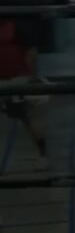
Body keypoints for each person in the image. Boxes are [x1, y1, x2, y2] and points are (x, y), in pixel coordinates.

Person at [0, 18, 49, 171]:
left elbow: (32, 52)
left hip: (18, 80)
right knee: (29, 118)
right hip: (9, 80)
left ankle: (43, 156)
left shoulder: (15, 28)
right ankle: (43, 156)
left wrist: (32, 79)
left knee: (29, 117)